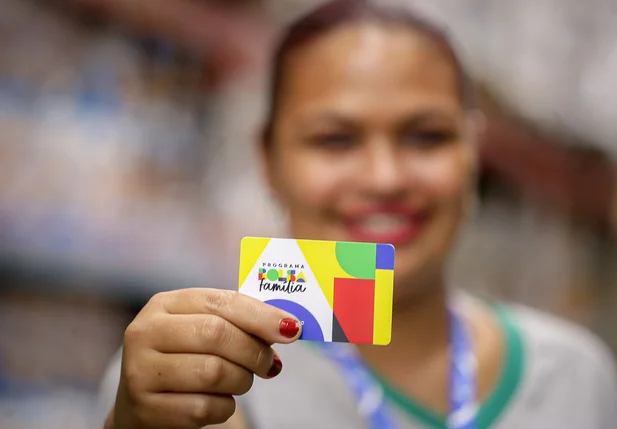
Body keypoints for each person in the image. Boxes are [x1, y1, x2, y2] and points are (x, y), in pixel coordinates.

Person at [97, 1, 617, 428]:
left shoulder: (576, 374)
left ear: (473, 156)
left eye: (426, 136)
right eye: (335, 139)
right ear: (269, 163)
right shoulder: (196, 376)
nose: (385, 177)